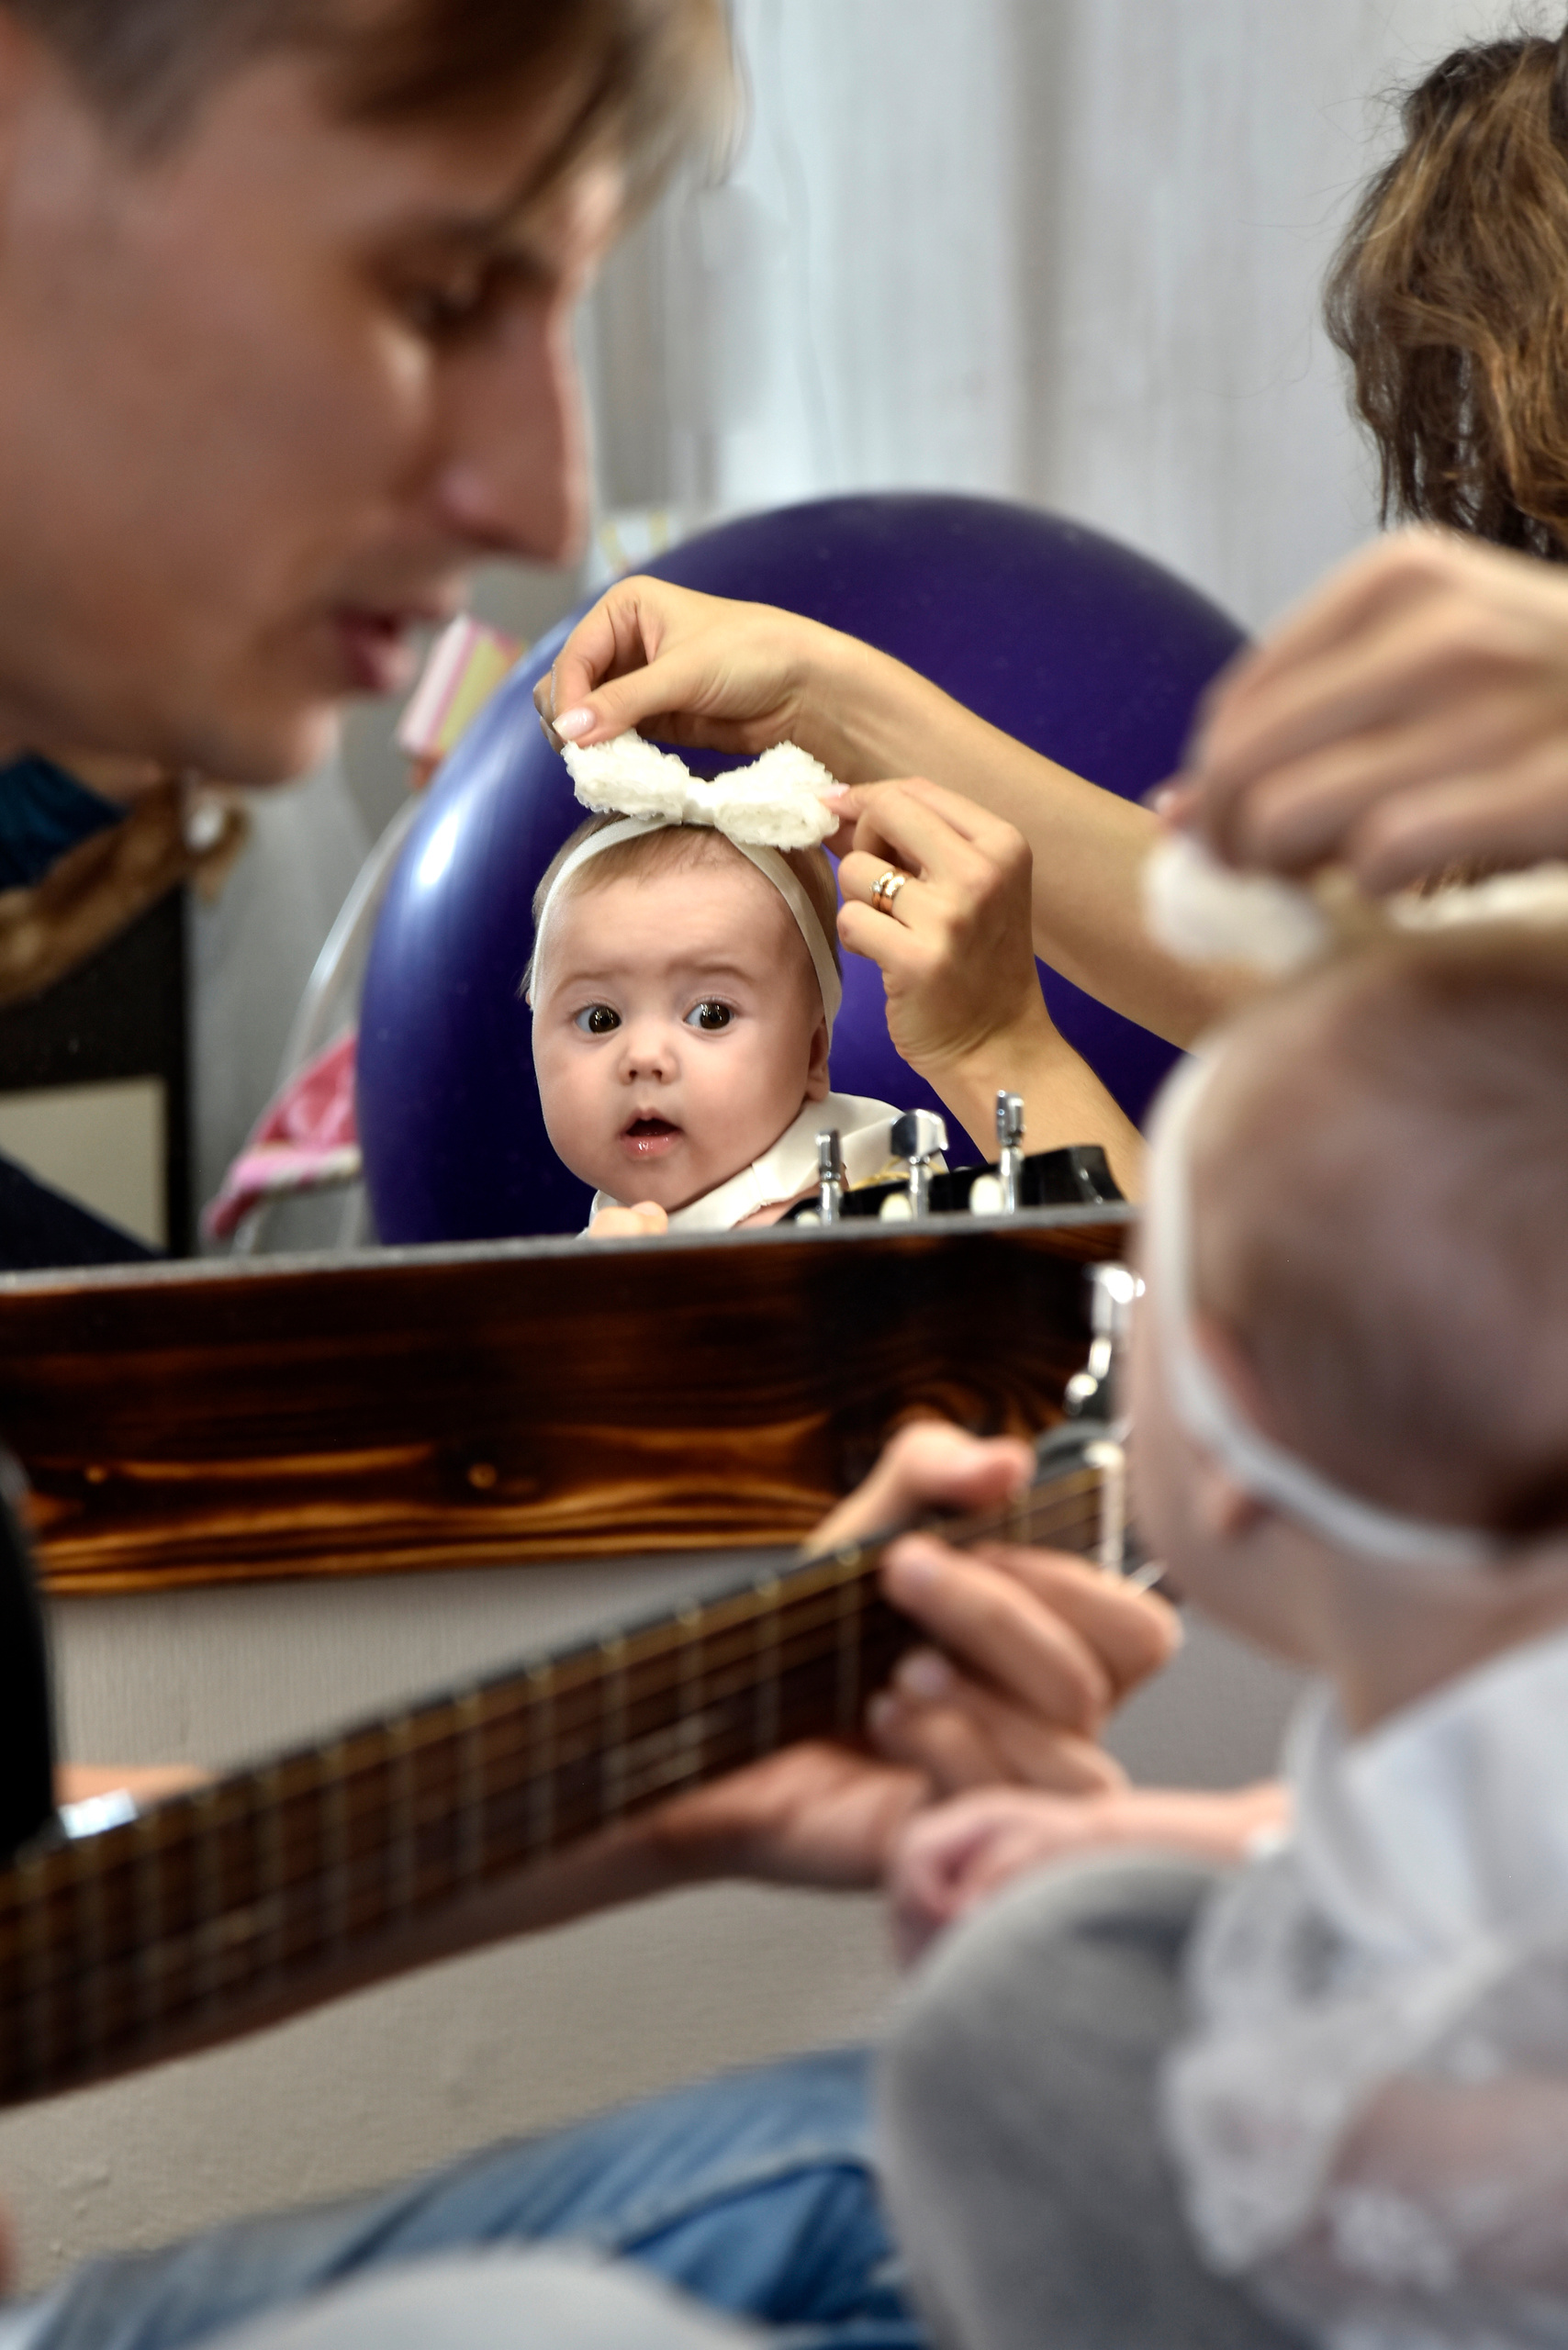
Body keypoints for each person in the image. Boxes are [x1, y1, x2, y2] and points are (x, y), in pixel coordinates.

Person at [0, 2, 1182, 2343]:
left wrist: (658, 1788)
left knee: (998, 2140)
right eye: (438, 293)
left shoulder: (868, 1169)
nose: (547, 501)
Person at [878, 922, 1568, 2350]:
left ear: (1235, 1437)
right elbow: (1444, 1885)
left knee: (1001, 2044)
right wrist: (1195, 1839)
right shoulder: (1474, 1698)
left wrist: (1371, 2157)